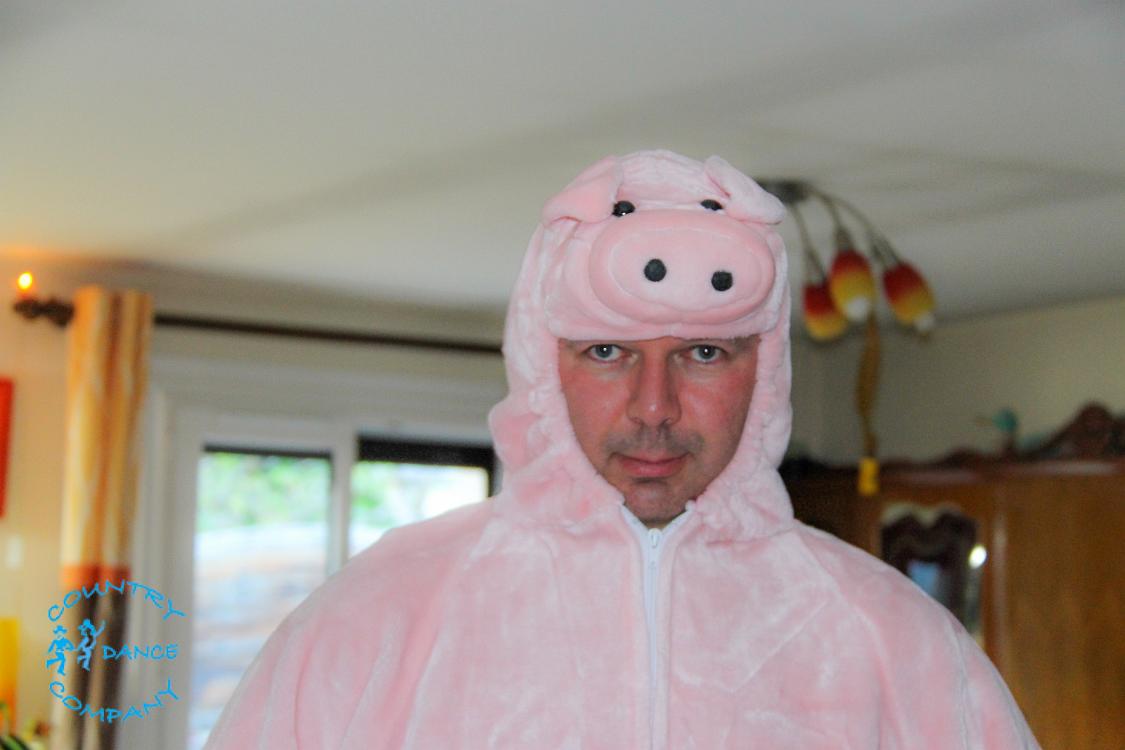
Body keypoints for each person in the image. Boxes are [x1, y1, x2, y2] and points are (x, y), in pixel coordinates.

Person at [205, 150, 1039, 748]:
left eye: (703, 353)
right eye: (606, 352)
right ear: (544, 363)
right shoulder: (380, 611)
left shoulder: (888, 634)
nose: (653, 407)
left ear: (764, 370)